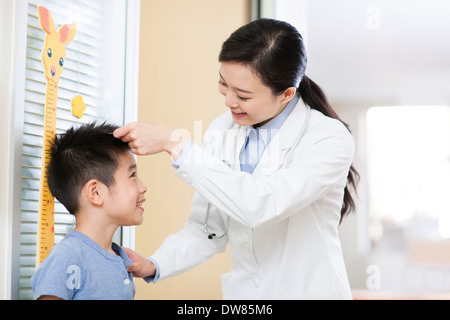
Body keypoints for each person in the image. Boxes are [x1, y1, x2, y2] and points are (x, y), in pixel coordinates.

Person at [115, 18, 359, 299]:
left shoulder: (329, 138)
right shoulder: (223, 128)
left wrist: (175, 143)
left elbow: (260, 204)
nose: (229, 101)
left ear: (287, 94)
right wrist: (155, 264)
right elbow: (208, 229)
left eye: (242, 95)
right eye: (223, 84)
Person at [32, 122, 147, 300]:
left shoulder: (120, 258)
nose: (143, 187)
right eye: (132, 176)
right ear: (96, 192)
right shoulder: (66, 258)